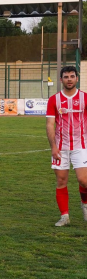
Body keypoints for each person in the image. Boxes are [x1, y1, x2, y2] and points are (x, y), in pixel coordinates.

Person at [46, 66, 87, 227]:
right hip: (61, 146)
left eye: (72, 76)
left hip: (81, 145)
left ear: (77, 78)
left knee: (83, 180)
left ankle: (85, 203)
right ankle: (65, 216)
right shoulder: (54, 100)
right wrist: (53, 147)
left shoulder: (84, 98)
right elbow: (50, 124)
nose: (69, 79)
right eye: (66, 77)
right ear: (61, 80)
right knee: (61, 180)